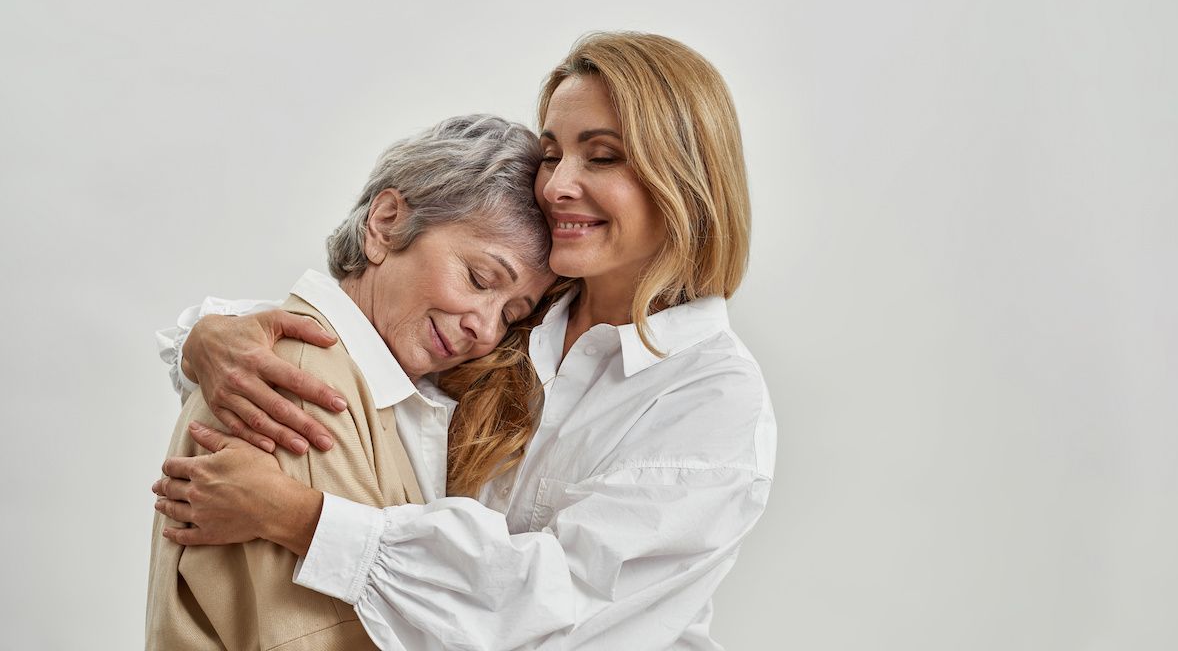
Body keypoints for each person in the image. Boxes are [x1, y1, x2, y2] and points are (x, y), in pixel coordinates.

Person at [153, 32, 776, 649]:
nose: (556, 185)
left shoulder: (712, 397)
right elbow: (364, 352)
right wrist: (205, 337)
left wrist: (297, 517)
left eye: (603, 156)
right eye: (553, 153)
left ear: (685, 181)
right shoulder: (528, 318)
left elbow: (563, 608)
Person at [147, 115, 556, 650]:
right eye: (480, 279)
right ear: (386, 223)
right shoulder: (302, 383)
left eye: (510, 314)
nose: (484, 326)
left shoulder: (386, 393)